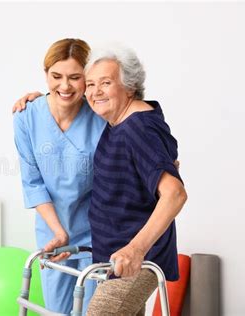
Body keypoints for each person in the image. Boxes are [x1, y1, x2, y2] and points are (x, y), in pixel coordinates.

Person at [83, 44, 188, 315]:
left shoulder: (137, 127)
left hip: (135, 260)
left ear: (129, 86)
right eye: (90, 84)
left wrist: (135, 250)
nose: (95, 92)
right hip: (118, 261)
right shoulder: (118, 122)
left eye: (105, 83)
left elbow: (175, 193)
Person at [13, 38, 106, 314]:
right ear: (45, 75)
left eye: (75, 77)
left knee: (93, 309)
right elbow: (33, 182)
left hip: (97, 233)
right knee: (58, 310)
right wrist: (58, 231)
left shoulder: (101, 117)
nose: (64, 86)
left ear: (86, 78)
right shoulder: (26, 116)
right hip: (53, 232)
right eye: (56, 76)